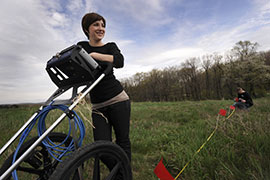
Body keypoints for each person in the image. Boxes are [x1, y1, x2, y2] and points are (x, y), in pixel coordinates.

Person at [77, 13, 131, 162]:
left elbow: (119, 61)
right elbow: (76, 67)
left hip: (118, 100)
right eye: (96, 24)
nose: (101, 28)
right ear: (87, 29)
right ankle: (119, 172)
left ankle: (124, 176)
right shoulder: (81, 46)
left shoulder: (110, 46)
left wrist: (94, 55)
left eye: (103, 25)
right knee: (102, 150)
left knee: (123, 142)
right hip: (98, 106)